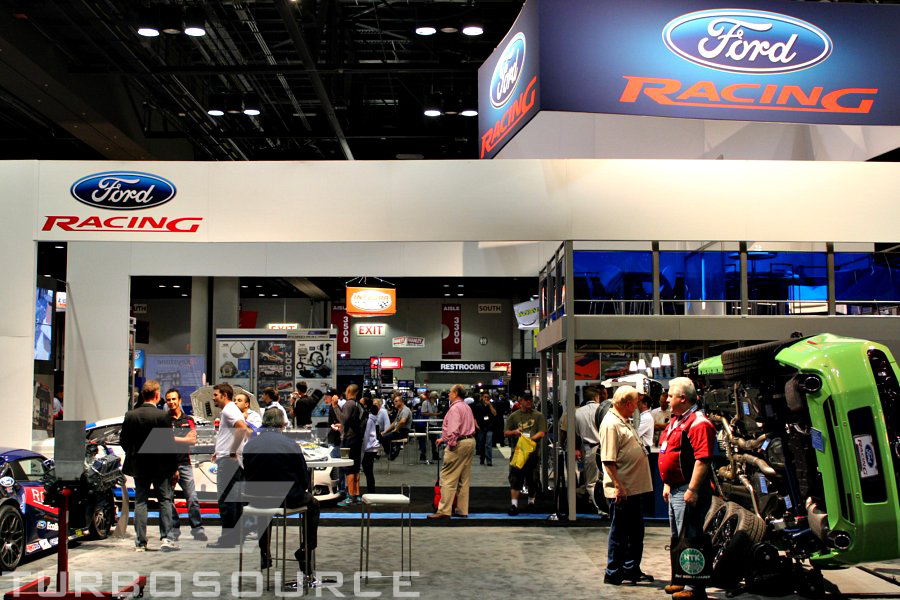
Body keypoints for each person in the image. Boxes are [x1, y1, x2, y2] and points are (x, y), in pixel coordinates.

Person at [242, 408, 320, 583]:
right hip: (287, 498)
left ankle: (264, 552)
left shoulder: (250, 445)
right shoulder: (290, 444)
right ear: (282, 425)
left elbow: (247, 473)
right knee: (313, 504)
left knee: (264, 509)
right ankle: (305, 550)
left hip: (258, 499)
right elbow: (303, 477)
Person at [659, 377, 716, 600]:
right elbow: (670, 452)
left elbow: (703, 460)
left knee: (691, 537)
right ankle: (680, 579)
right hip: (675, 488)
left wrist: (692, 489)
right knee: (678, 537)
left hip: (687, 490)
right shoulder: (677, 420)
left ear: (682, 398)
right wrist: (667, 483)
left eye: (670, 395)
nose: (667, 399)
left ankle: (694, 588)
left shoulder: (699, 423)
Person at [599, 385, 654, 585]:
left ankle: (631, 569)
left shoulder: (622, 421)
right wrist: (618, 486)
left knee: (635, 532)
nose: (637, 407)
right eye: (636, 403)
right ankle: (613, 571)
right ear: (628, 403)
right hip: (623, 490)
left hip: (632, 488)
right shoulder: (611, 424)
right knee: (620, 533)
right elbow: (608, 460)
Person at [120, 381, 179, 552]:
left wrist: (134, 454)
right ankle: (166, 539)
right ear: (157, 395)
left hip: (139, 466)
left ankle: (140, 542)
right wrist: (174, 468)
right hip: (161, 466)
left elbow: (124, 441)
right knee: (165, 501)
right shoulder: (162, 416)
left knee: (140, 502)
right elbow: (169, 444)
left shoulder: (130, 415)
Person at [206, 383, 251, 549]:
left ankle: (227, 539)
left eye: (215, 395)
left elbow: (242, 429)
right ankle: (236, 537)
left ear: (224, 395)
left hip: (229, 462)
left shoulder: (228, 410)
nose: (213, 398)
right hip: (231, 460)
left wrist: (232, 450)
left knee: (226, 501)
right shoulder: (232, 410)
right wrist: (221, 450)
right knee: (234, 501)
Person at [164, 388, 206, 542]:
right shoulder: (163, 420)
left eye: (174, 399)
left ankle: (197, 529)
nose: (171, 402)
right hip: (168, 465)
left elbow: (192, 440)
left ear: (180, 400)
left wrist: (172, 438)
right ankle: (174, 530)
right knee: (168, 500)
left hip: (185, 464)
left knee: (192, 498)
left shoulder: (188, 420)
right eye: (169, 400)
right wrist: (182, 439)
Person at [428, 384, 476, 519]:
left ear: (455, 393)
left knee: (447, 477)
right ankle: (462, 510)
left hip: (459, 444)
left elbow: (454, 430)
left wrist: (450, 444)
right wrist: (444, 438)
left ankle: (444, 510)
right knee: (463, 479)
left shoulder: (455, 408)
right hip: (470, 441)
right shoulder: (466, 407)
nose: (448, 394)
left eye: (450, 392)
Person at [563, 385, 610, 514]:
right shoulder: (605, 410)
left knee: (591, 482)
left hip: (589, 449)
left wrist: (576, 448)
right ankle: (608, 507)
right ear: (596, 397)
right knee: (609, 479)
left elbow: (575, 433)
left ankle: (601, 509)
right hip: (606, 447)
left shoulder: (577, 413)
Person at [504, 392, 547, 515]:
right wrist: (515, 432)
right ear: (520, 401)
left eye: (530, 399)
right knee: (515, 479)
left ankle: (531, 503)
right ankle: (514, 505)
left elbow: (542, 432)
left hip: (533, 454)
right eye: (526, 399)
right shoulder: (514, 416)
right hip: (518, 454)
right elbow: (506, 432)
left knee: (533, 479)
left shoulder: (538, 416)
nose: (529, 401)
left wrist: (530, 440)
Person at [337, 384, 364, 507]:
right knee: (356, 467)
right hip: (357, 439)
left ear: (348, 391)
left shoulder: (348, 404)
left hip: (349, 439)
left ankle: (350, 496)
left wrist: (335, 407)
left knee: (348, 468)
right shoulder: (358, 404)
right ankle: (356, 495)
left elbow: (343, 419)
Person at [380, 392, 412, 461]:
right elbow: (394, 423)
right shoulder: (400, 410)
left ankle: (391, 453)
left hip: (403, 431)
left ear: (401, 402)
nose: (394, 403)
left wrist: (396, 429)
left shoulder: (405, 410)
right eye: (394, 401)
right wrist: (385, 431)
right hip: (400, 430)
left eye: (396, 401)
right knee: (383, 436)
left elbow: (402, 421)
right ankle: (393, 450)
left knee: (384, 438)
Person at [360, 394, 381, 495]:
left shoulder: (368, 420)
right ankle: (371, 492)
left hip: (369, 448)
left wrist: (362, 451)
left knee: (368, 472)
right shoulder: (371, 418)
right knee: (368, 472)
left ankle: (371, 493)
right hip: (371, 448)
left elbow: (366, 435)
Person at [473, 392, 498, 466]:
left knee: (488, 444)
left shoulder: (492, 405)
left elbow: (495, 413)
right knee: (481, 443)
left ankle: (489, 460)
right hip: (481, 427)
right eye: (485, 397)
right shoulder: (478, 406)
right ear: (482, 397)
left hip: (489, 427)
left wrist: (490, 405)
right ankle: (482, 458)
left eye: (488, 397)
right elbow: (474, 417)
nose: (486, 398)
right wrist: (476, 425)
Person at [418, 391, 441, 463]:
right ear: (432, 397)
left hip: (433, 423)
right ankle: (423, 454)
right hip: (426, 423)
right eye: (435, 397)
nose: (436, 399)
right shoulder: (425, 403)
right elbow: (423, 413)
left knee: (434, 440)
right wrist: (434, 414)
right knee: (424, 440)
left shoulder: (434, 403)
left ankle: (434, 454)